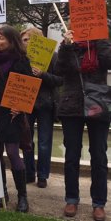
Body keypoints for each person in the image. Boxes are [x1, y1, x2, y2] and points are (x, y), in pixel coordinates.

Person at [55, 30, 110, 221]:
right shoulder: (69, 45)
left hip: (97, 105)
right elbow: (59, 69)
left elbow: (108, 62)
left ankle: (99, 203)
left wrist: (102, 37)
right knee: (71, 155)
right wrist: (66, 46)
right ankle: (71, 199)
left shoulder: (102, 43)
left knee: (99, 155)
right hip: (72, 105)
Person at [0, 25, 32, 212]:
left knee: (12, 153)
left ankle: (22, 196)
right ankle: (1, 191)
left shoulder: (21, 61)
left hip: (12, 115)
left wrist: (20, 105)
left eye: (2, 38)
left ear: (12, 40)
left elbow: (27, 88)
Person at [20, 28, 63, 188]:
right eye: (24, 40)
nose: (27, 42)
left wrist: (42, 74)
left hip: (45, 104)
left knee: (45, 141)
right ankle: (29, 173)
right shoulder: (21, 58)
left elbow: (60, 80)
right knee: (26, 140)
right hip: (26, 102)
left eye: (29, 39)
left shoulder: (52, 56)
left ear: (39, 41)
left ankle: (43, 176)